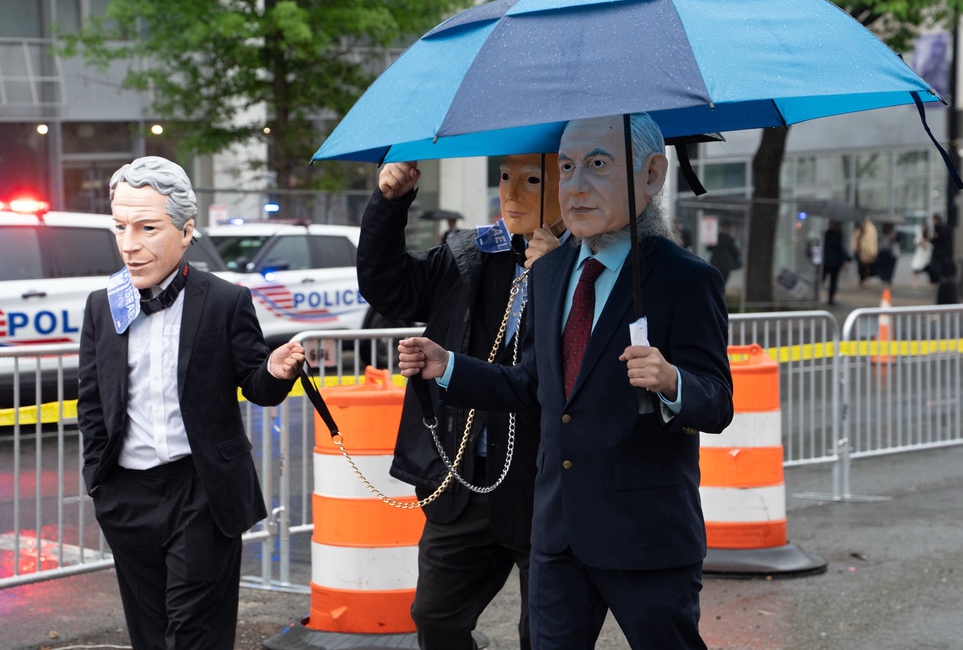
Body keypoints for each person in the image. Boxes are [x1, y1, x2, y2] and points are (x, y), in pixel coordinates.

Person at [398, 113, 734, 649]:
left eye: (598, 165)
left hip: (644, 532)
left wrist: (672, 380)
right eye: (568, 166)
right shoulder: (551, 272)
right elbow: (532, 384)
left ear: (652, 174)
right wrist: (451, 367)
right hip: (556, 532)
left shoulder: (685, 280)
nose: (575, 185)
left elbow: (716, 403)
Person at [77, 156, 305, 650]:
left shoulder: (224, 300)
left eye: (147, 227)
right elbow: (92, 401)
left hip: (202, 491)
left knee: (193, 631)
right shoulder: (102, 304)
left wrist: (276, 369)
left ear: (185, 232)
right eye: (120, 227)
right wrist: (100, 484)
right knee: (150, 634)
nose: (130, 244)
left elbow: (256, 385)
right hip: (126, 495)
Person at [357, 153, 569, 650]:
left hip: (545, 483)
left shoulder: (585, 266)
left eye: (534, 180)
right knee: (436, 618)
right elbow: (390, 287)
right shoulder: (470, 253)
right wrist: (390, 203)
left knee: (545, 634)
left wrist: (555, 275)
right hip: (463, 479)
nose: (512, 192)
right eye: (504, 177)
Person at [822, 220, 851, 305]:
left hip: (831, 262)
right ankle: (829, 298)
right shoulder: (832, 235)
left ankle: (830, 298)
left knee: (832, 281)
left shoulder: (829, 235)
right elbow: (840, 249)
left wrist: (844, 260)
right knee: (831, 281)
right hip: (830, 262)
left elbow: (840, 249)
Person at [911, 222, 934, 288]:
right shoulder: (919, 235)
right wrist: (920, 243)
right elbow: (915, 241)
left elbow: (931, 244)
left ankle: (930, 283)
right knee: (916, 269)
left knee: (929, 270)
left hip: (927, 255)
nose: (923, 229)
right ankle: (915, 283)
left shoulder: (930, 235)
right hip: (919, 254)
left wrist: (926, 243)